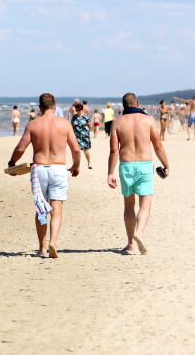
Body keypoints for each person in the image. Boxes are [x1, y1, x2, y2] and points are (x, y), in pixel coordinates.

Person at [8, 93, 81, 258]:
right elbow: (75, 149)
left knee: (41, 209)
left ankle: (42, 248)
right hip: (59, 168)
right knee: (57, 209)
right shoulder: (64, 124)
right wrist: (76, 165)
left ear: (40, 107)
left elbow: (21, 148)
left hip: (39, 169)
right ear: (55, 106)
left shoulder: (33, 124)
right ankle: (53, 242)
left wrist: (12, 164)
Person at [107, 93, 169, 255]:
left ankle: (130, 244)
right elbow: (158, 146)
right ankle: (139, 233)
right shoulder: (148, 120)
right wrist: (166, 165)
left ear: (123, 106)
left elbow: (114, 150)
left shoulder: (118, 123)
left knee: (128, 205)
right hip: (144, 165)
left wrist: (110, 173)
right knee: (145, 203)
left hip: (126, 165)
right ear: (138, 103)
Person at [71, 104, 93, 169]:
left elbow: (90, 126)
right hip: (76, 136)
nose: (77, 112)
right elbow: (72, 126)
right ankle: (75, 165)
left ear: (82, 109)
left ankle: (89, 163)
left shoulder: (86, 117)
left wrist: (87, 133)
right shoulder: (74, 117)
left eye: (78, 110)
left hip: (85, 136)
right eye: (76, 110)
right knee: (75, 151)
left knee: (85, 150)